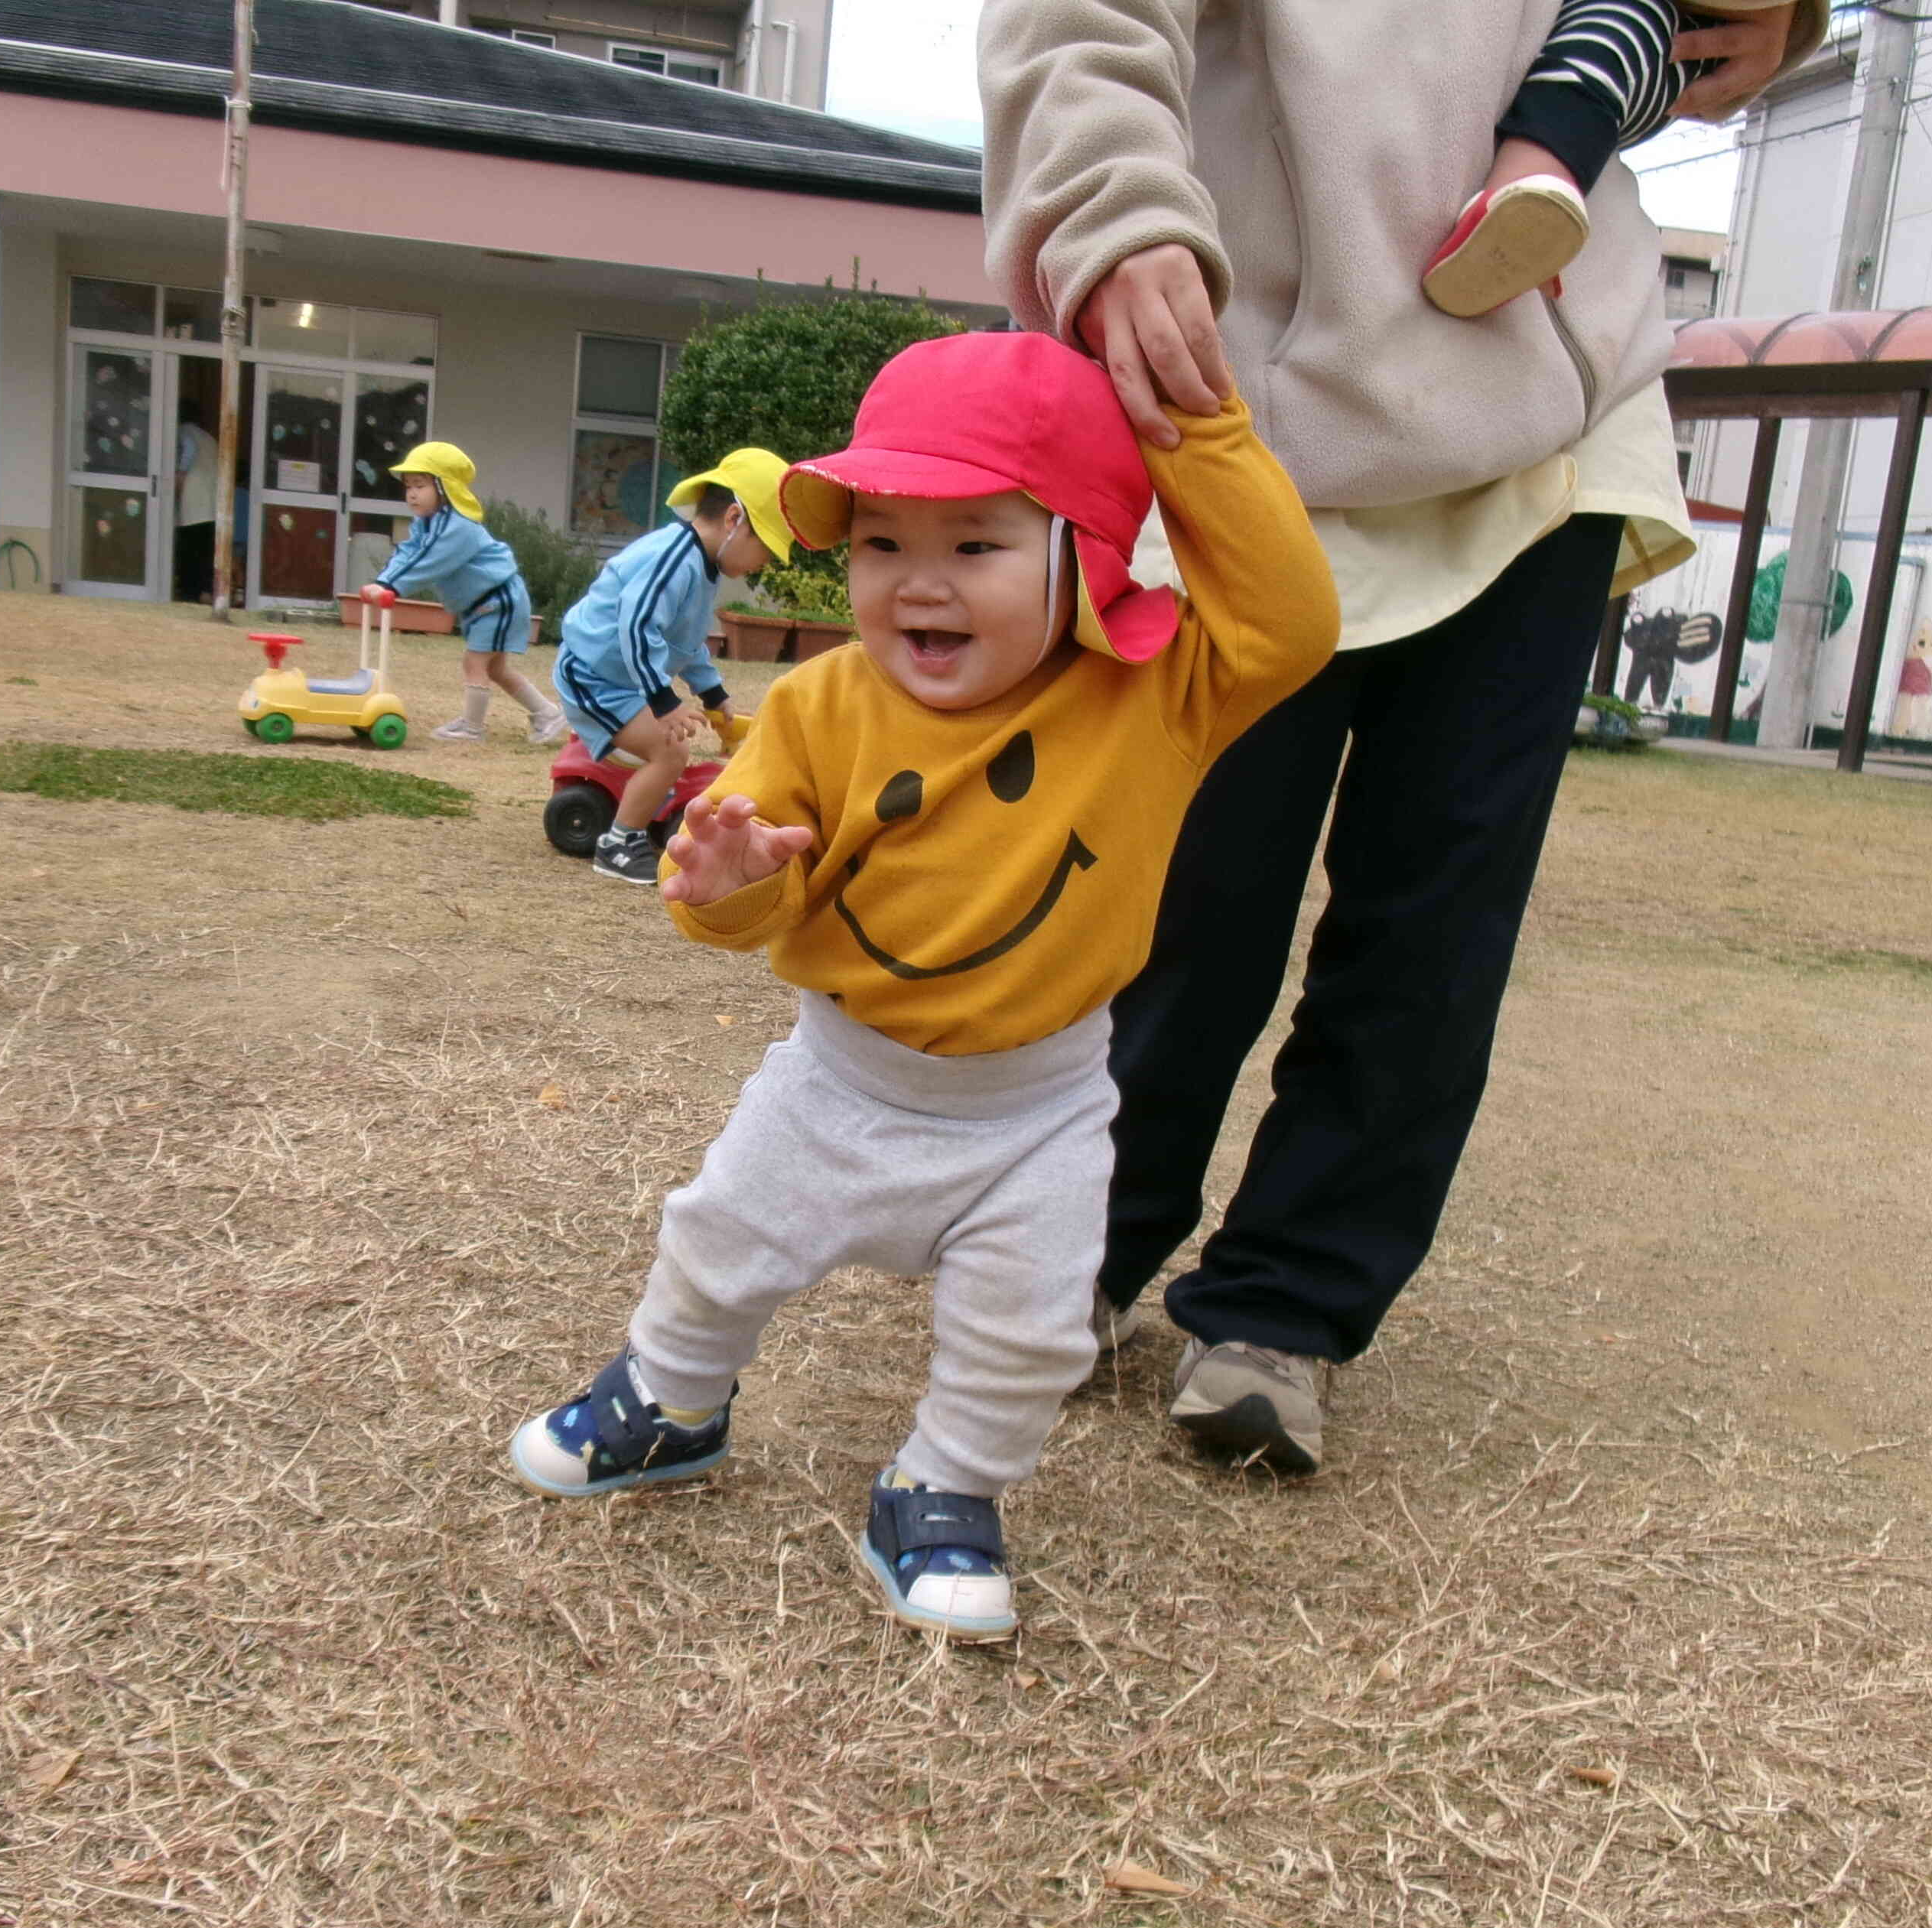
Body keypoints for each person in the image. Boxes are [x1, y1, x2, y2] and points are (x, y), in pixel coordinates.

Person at [979, 0, 1817, 1473]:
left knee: (1438, 906)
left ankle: (1285, 1305)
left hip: (1551, 408)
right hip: (1238, 392)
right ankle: (1077, 1250)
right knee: (1179, 891)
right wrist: (1110, 211)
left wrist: (1783, 19)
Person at [503, 332, 1337, 1640]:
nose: (917, 584)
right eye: (882, 543)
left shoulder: (1157, 690)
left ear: (1083, 553)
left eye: (975, 545)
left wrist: (1193, 427)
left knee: (1030, 1333)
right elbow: (753, 881)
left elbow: (1291, 616)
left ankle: (944, 1484)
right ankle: (668, 1402)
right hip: (837, 1080)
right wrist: (726, 883)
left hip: (1040, 1109)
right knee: (717, 1242)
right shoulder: (824, 702)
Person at [1426, 1, 1766, 319]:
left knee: (1604, 55)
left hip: (1652, 36)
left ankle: (1528, 189)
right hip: (1650, 62)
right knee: (1606, 57)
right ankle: (1529, 215)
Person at [552, 449, 792, 886]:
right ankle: (618, 845)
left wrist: (715, 696)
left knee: (672, 747)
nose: (765, 564)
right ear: (734, 519)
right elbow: (638, 628)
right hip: (593, 676)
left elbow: (686, 640)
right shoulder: (673, 559)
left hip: (622, 679)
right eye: (766, 549)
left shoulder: (702, 566)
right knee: (671, 750)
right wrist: (665, 702)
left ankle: (632, 823)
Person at [358, 441, 564, 743]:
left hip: (497, 599)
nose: (412, 493)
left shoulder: (456, 528)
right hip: (488, 602)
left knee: (475, 663)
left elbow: (428, 560)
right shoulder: (428, 525)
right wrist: (385, 580)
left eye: (421, 485)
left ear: (444, 488)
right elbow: (410, 552)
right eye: (408, 487)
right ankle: (546, 713)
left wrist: (391, 586)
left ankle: (472, 727)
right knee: (496, 668)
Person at [174, 410, 219, 603]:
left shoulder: (184, 430)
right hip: (211, 501)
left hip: (192, 500)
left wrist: (181, 473)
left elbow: (190, 448)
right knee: (206, 550)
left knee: (189, 548)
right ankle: (206, 590)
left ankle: (189, 592)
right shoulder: (209, 438)